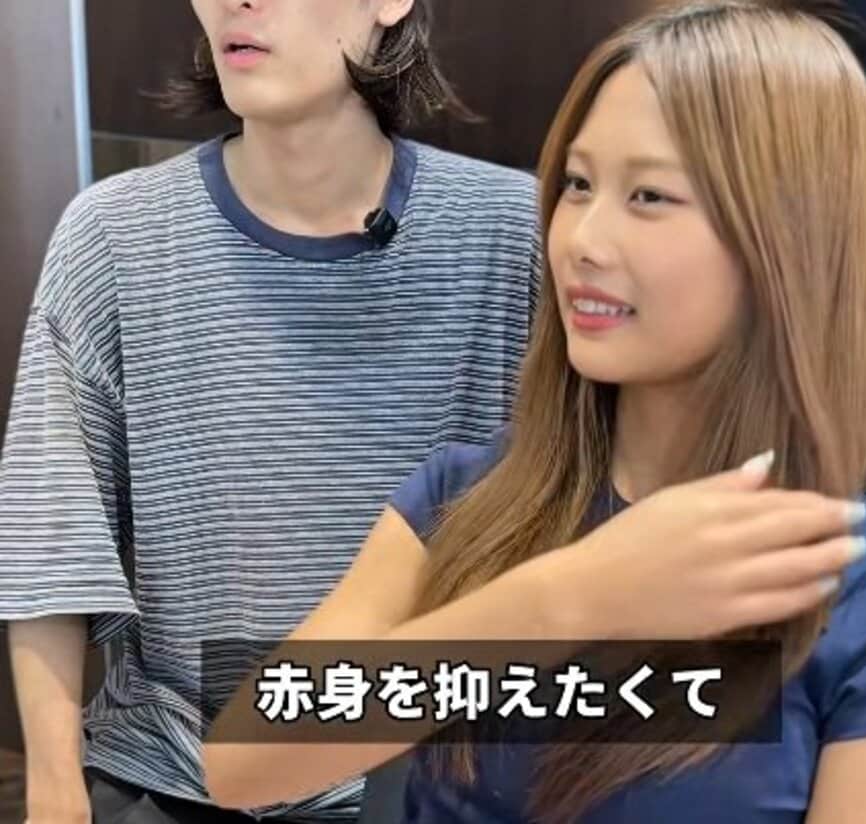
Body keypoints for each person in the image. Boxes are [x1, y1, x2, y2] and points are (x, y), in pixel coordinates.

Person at [202, 1, 866, 822]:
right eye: (579, 185)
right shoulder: (467, 499)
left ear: (790, 237)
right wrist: (571, 597)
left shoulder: (846, 585)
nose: (582, 238)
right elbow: (243, 760)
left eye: (650, 195)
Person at [0, 1, 540, 822]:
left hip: (432, 783)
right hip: (175, 775)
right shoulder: (113, 235)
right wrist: (54, 790)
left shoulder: (513, 233)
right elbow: (52, 536)